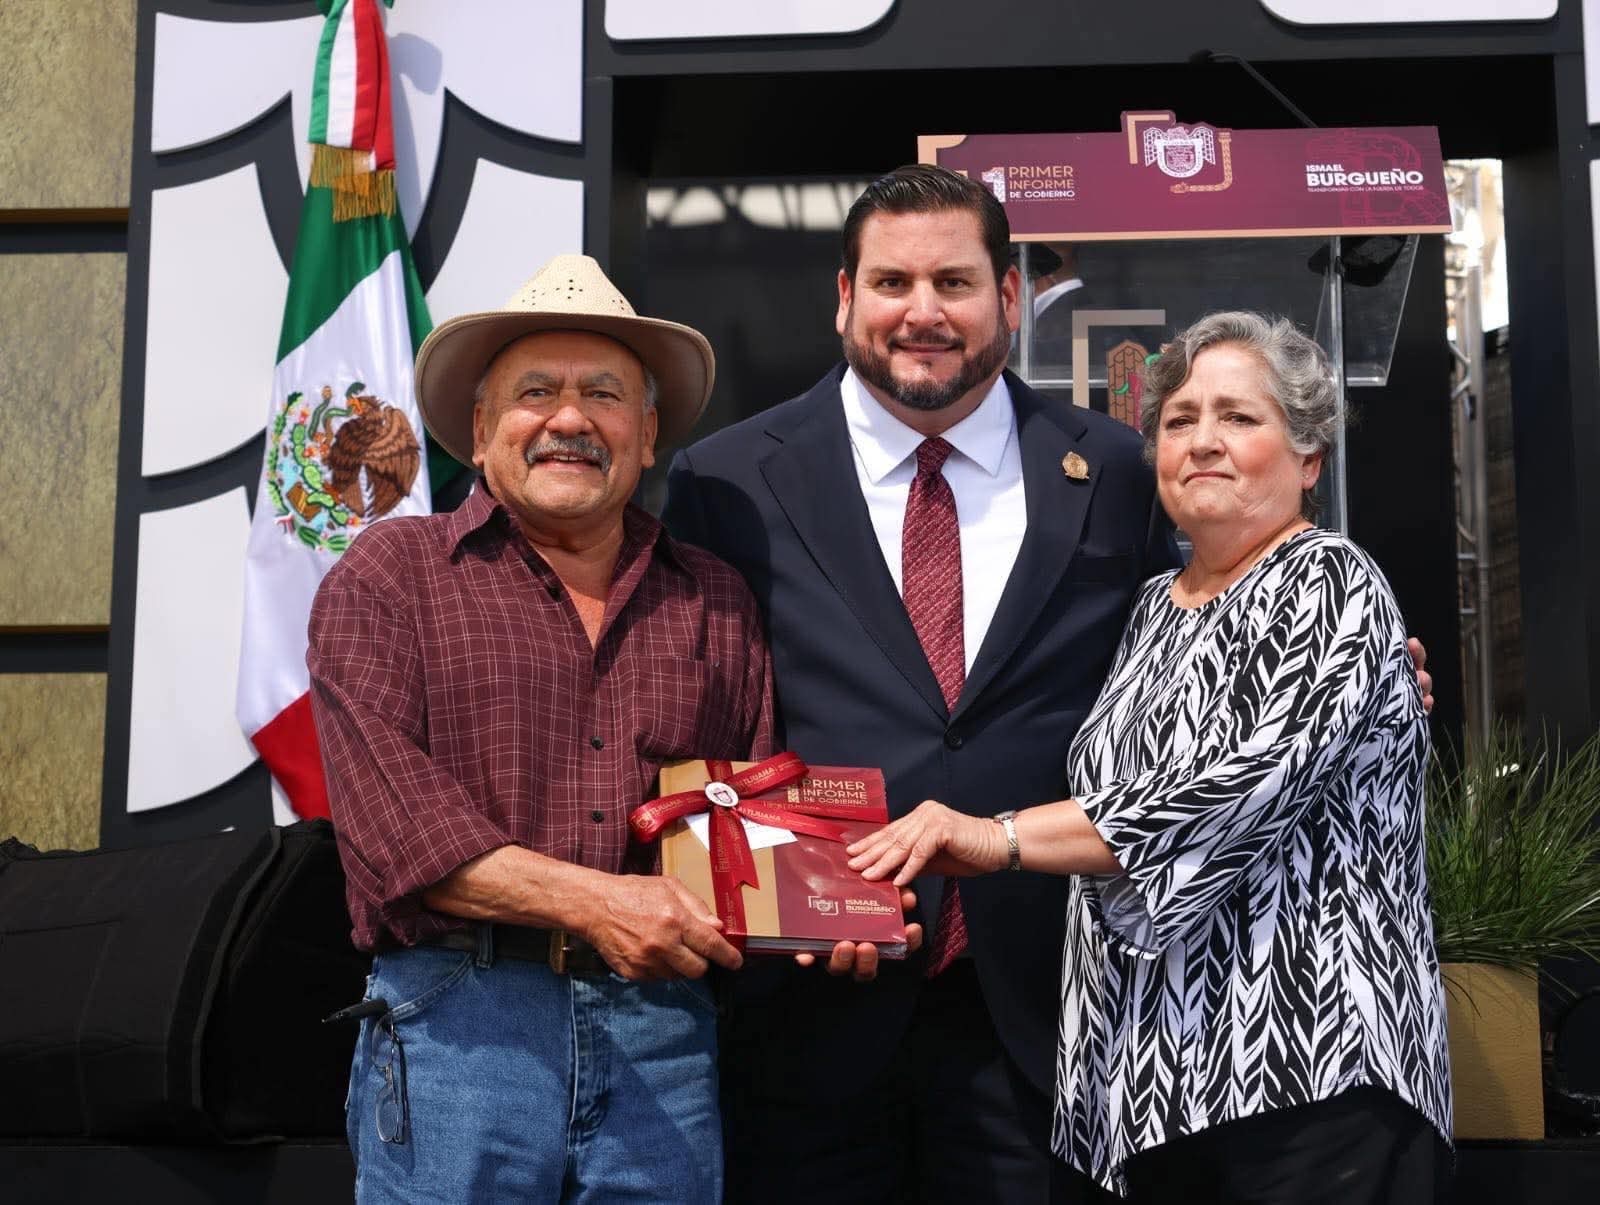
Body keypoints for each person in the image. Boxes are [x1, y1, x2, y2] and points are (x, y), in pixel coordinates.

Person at [662, 164, 1181, 1202]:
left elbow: (1182, 650)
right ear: (845, 298)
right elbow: (697, 712)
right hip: (806, 1011)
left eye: (953, 281)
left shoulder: (1116, 468)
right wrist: (775, 903)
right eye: (892, 282)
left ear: (1009, 297)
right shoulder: (726, 479)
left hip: (1046, 1003)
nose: (923, 312)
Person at [849, 311, 1453, 1202]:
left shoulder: (1331, 580)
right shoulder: (1145, 613)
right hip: (1152, 1091)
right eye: (1179, 419)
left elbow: (1219, 791)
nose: (1204, 440)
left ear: (1308, 457)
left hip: (1310, 1076)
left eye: (1240, 418)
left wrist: (995, 837)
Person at [308, 254, 773, 1202]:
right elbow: (401, 838)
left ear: (646, 437)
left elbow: (751, 823)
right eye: (536, 393)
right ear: (481, 434)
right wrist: (600, 904)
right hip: (457, 1024)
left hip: (663, 1037)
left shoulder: (716, 600)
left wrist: (816, 914)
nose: (570, 419)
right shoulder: (390, 576)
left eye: (603, 394)